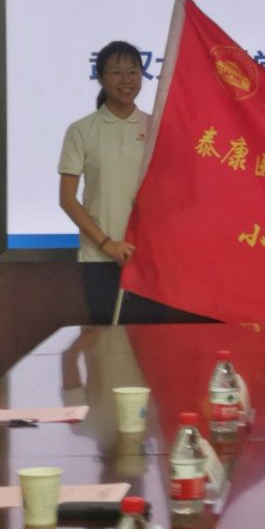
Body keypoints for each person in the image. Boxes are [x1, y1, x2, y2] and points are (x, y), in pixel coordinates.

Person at [58, 41, 157, 324]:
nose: (126, 80)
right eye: (116, 72)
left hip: (148, 258)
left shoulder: (156, 126)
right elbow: (67, 199)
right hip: (100, 258)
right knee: (108, 343)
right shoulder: (82, 130)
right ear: (100, 77)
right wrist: (106, 243)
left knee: (149, 343)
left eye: (133, 71)